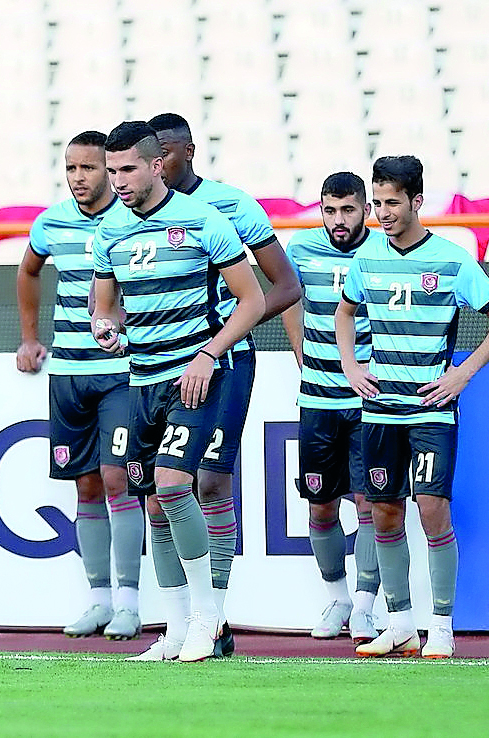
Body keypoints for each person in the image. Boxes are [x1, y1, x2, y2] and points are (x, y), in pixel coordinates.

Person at [91, 121, 266, 662]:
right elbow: (104, 306)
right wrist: (106, 327)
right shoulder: (109, 234)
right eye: (111, 170)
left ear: (156, 164)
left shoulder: (202, 220)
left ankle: (207, 618)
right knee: (152, 503)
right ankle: (173, 627)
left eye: (127, 169)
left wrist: (208, 355)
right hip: (142, 380)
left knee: (172, 487)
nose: (117, 180)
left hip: (197, 375)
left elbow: (253, 300)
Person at [336, 156, 489, 659]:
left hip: (430, 411)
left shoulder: (452, 260)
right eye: (377, 203)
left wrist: (462, 373)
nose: (382, 212)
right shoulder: (366, 259)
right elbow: (344, 311)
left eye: (392, 202)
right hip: (380, 412)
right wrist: (351, 365)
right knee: (384, 514)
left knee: (433, 512)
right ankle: (400, 625)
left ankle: (441, 626)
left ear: (417, 201)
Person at [148, 112, 301, 656]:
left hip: (223, 362)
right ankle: (188, 621)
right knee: (159, 494)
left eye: (165, 151)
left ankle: (213, 617)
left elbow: (284, 285)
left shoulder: (232, 205)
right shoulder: (131, 216)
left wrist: (226, 330)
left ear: (188, 151)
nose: (157, 161)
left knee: (209, 483)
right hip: (158, 368)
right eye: (152, 152)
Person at [16, 130, 144, 640]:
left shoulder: (132, 221)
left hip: (120, 372)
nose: (78, 179)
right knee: (85, 484)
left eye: (88, 168)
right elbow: (28, 272)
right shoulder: (51, 222)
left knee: (118, 478)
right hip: (68, 371)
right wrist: (29, 338)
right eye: (71, 168)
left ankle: (131, 603)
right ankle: (99, 600)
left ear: (110, 172)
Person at [282, 172, 382, 645]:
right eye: (329, 210)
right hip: (316, 399)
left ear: (365, 209)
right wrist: (299, 349)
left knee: (370, 503)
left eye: (347, 210)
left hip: (369, 400)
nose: (338, 220)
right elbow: (286, 296)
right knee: (320, 508)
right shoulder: (301, 250)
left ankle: (364, 605)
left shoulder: (381, 253)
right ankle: (337, 597)